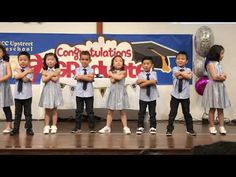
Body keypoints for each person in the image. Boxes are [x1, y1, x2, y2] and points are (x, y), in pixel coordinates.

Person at [202, 45, 231, 135]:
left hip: (220, 87)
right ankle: (212, 126)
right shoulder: (210, 64)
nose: (223, 55)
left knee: (220, 108)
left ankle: (221, 126)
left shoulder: (218, 64)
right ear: (216, 53)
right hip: (213, 87)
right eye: (222, 53)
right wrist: (222, 77)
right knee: (212, 108)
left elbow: (223, 75)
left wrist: (222, 76)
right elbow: (214, 77)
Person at [99, 55, 131, 134]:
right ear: (113, 64)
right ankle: (107, 127)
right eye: (116, 61)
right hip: (113, 93)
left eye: (120, 61)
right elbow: (113, 80)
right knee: (110, 111)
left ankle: (125, 127)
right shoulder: (112, 72)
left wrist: (111, 74)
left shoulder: (124, 72)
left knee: (122, 111)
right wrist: (113, 75)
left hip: (121, 93)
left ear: (123, 63)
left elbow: (119, 78)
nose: (118, 62)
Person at [166, 51, 196, 136]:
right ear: (175, 60)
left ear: (186, 61)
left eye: (183, 59)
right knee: (172, 113)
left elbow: (189, 77)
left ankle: (190, 129)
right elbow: (177, 75)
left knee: (187, 113)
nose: (180, 60)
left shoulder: (189, 70)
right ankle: (169, 130)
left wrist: (183, 74)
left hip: (185, 95)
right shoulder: (174, 68)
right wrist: (185, 75)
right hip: (175, 95)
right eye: (178, 58)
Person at [39, 53, 63, 134]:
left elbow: (56, 79)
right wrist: (51, 75)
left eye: (52, 59)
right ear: (45, 61)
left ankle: (54, 125)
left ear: (56, 61)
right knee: (47, 110)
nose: (50, 61)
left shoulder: (57, 70)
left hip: (55, 92)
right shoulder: (43, 70)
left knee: (54, 110)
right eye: (48, 59)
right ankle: (46, 126)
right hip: (47, 92)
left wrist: (46, 74)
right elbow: (44, 80)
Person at [71, 51, 96, 133]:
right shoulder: (77, 69)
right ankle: (77, 128)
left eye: (86, 59)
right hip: (79, 94)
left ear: (90, 60)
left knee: (90, 112)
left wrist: (81, 76)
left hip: (89, 94)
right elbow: (77, 78)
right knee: (79, 111)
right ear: (80, 60)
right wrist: (86, 76)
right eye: (82, 59)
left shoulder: (92, 70)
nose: (84, 61)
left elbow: (90, 78)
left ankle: (92, 128)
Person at [10, 51, 34, 136]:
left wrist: (23, 72)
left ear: (29, 61)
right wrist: (24, 73)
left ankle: (29, 129)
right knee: (17, 114)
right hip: (17, 96)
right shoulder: (18, 71)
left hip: (27, 96)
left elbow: (25, 80)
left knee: (28, 114)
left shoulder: (30, 71)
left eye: (25, 60)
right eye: (20, 60)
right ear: (18, 60)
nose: (23, 61)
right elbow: (17, 77)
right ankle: (15, 129)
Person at [136, 56, 159, 135]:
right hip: (143, 97)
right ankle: (140, 127)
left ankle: (153, 127)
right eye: (144, 64)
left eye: (148, 64)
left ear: (152, 65)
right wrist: (149, 81)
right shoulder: (140, 74)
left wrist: (143, 81)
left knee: (152, 113)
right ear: (142, 65)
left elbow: (154, 82)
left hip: (152, 97)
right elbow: (140, 85)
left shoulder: (154, 73)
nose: (146, 65)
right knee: (141, 113)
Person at [0, 44, 13, 134]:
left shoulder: (6, 63)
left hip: (3, 87)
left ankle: (9, 125)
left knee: (6, 107)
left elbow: (9, 75)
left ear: (3, 53)